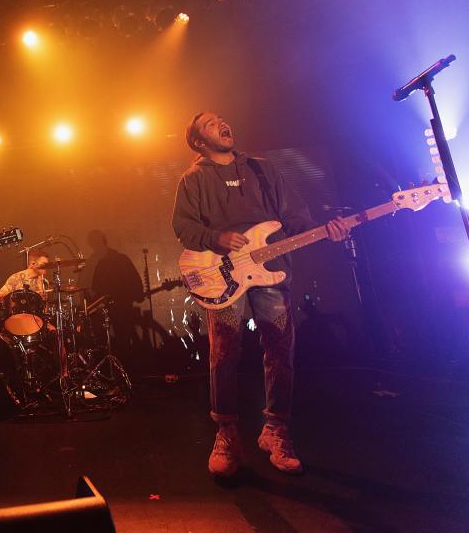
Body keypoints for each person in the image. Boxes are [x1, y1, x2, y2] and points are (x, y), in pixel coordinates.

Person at [172, 112, 348, 477]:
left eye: (222, 118)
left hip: (271, 269)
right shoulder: (193, 179)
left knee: (281, 347)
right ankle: (226, 433)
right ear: (197, 141)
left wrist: (324, 230)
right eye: (209, 124)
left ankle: (276, 429)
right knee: (224, 350)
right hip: (223, 276)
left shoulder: (263, 170)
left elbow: (295, 216)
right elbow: (184, 227)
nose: (222, 123)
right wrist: (216, 238)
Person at [85, 230, 144, 359]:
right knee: (110, 338)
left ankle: (125, 365)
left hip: (119, 305)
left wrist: (136, 295)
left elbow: (134, 280)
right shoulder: (96, 261)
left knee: (122, 337)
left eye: (95, 241)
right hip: (105, 305)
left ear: (101, 241)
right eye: (92, 242)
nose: (94, 245)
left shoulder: (118, 259)